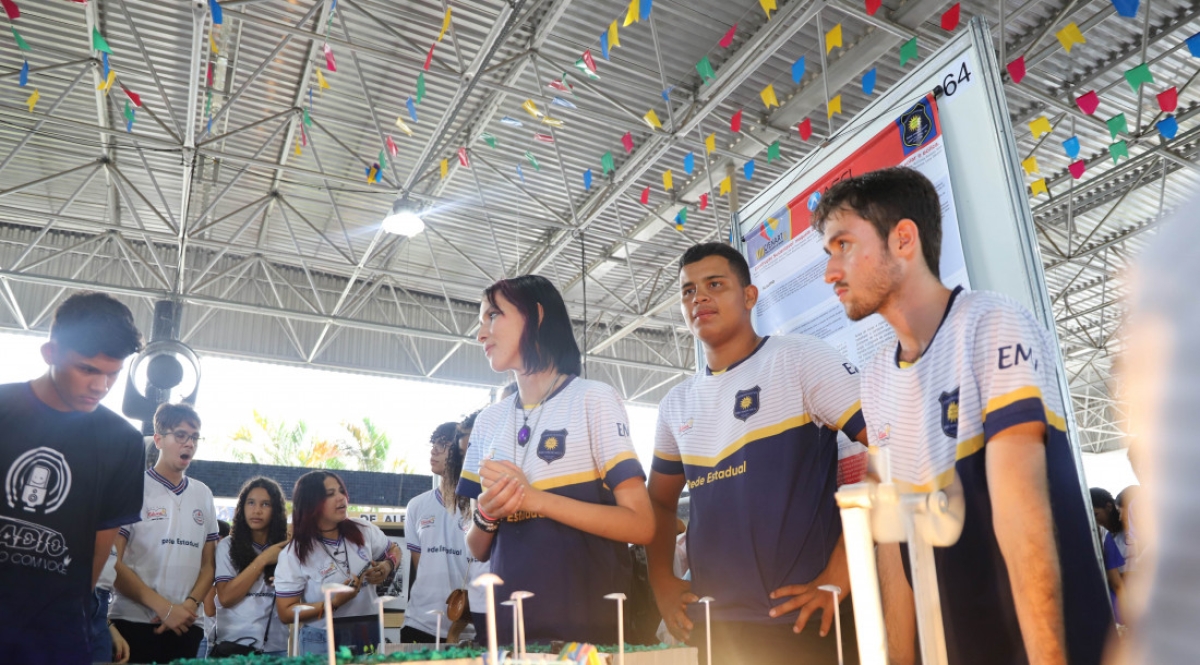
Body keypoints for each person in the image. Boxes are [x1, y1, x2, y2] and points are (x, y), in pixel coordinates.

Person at [814, 166, 1111, 664]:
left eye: (843, 244)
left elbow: (1024, 516)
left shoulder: (990, 323)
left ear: (903, 239)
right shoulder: (877, 378)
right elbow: (893, 540)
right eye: (828, 252)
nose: (830, 272)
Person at [647, 242, 869, 665]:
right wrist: (661, 581)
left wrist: (841, 573)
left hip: (804, 623)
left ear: (749, 296)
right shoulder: (676, 403)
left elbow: (893, 443)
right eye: (688, 291)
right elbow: (658, 502)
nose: (700, 298)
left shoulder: (800, 359)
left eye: (715, 285)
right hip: (716, 629)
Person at [458, 274, 654, 645]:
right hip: (508, 634)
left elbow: (641, 525)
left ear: (537, 315)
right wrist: (488, 513)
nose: (481, 334)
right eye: (480, 322)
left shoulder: (593, 399)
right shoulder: (489, 421)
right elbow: (477, 547)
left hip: (588, 635)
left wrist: (534, 499)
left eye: (493, 316)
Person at [0, 292, 144, 664]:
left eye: (113, 373)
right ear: (50, 353)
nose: (101, 386)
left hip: (56, 635)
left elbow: (96, 557)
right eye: (88, 369)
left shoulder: (123, 442)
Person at [110, 403, 219, 664]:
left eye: (194, 437)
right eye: (180, 435)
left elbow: (209, 564)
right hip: (133, 621)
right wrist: (164, 608)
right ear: (158, 439)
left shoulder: (203, 493)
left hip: (187, 624)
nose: (189, 444)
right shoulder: (133, 486)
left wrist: (189, 606)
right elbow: (112, 560)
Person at [275, 471, 400, 655]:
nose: (341, 498)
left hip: (367, 632)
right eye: (330, 494)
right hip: (321, 640)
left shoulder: (363, 529)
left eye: (341, 491)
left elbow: (394, 549)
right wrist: (333, 603)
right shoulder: (294, 553)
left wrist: (387, 566)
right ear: (311, 504)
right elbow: (286, 612)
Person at [401, 423, 473, 644]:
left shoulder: (481, 506)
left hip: (470, 629)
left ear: (462, 450)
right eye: (434, 444)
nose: (434, 451)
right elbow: (420, 565)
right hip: (419, 624)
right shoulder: (416, 506)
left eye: (443, 445)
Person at [213, 478, 290, 656]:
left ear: (275, 510)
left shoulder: (286, 550)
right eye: (251, 503)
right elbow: (225, 597)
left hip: (275, 648)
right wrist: (262, 560)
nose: (256, 510)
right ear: (242, 507)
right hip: (233, 645)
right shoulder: (228, 546)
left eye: (265, 504)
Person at [457, 408, 491, 642]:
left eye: (474, 450)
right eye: (463, 453)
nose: (469, 460)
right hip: (481, 598)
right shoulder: (471, 490)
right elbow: (476, 549)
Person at [1090, 488, 1128, 624]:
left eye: (1096, 514)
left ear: (1109, 507)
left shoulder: (1129, 532)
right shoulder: (1105, 537)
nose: (1094, 521)